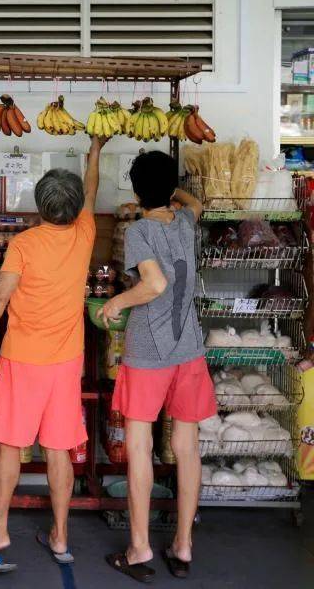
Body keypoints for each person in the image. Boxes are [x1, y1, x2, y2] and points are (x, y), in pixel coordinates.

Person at [0, 136, 107, 574]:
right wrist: (94, 151)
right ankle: (61, 535)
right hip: (66, 364)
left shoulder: (23, 243)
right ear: (76, 207)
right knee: (59, 449)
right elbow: (93, 189)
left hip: (21, 360)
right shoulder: (85, 233)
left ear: (39, 208)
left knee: (9, 447)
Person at [99, 151, 216, 583]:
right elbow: (194, 204)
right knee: (186, 448)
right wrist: (172, 192)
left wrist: (116, 301)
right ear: (170, 191)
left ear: (134, 191)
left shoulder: (140, 230)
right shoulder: (185, 221)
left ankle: (140, 546)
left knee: (138, 446)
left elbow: (153, 285)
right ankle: (183, 545)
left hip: (148, 351)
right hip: (188, 349)